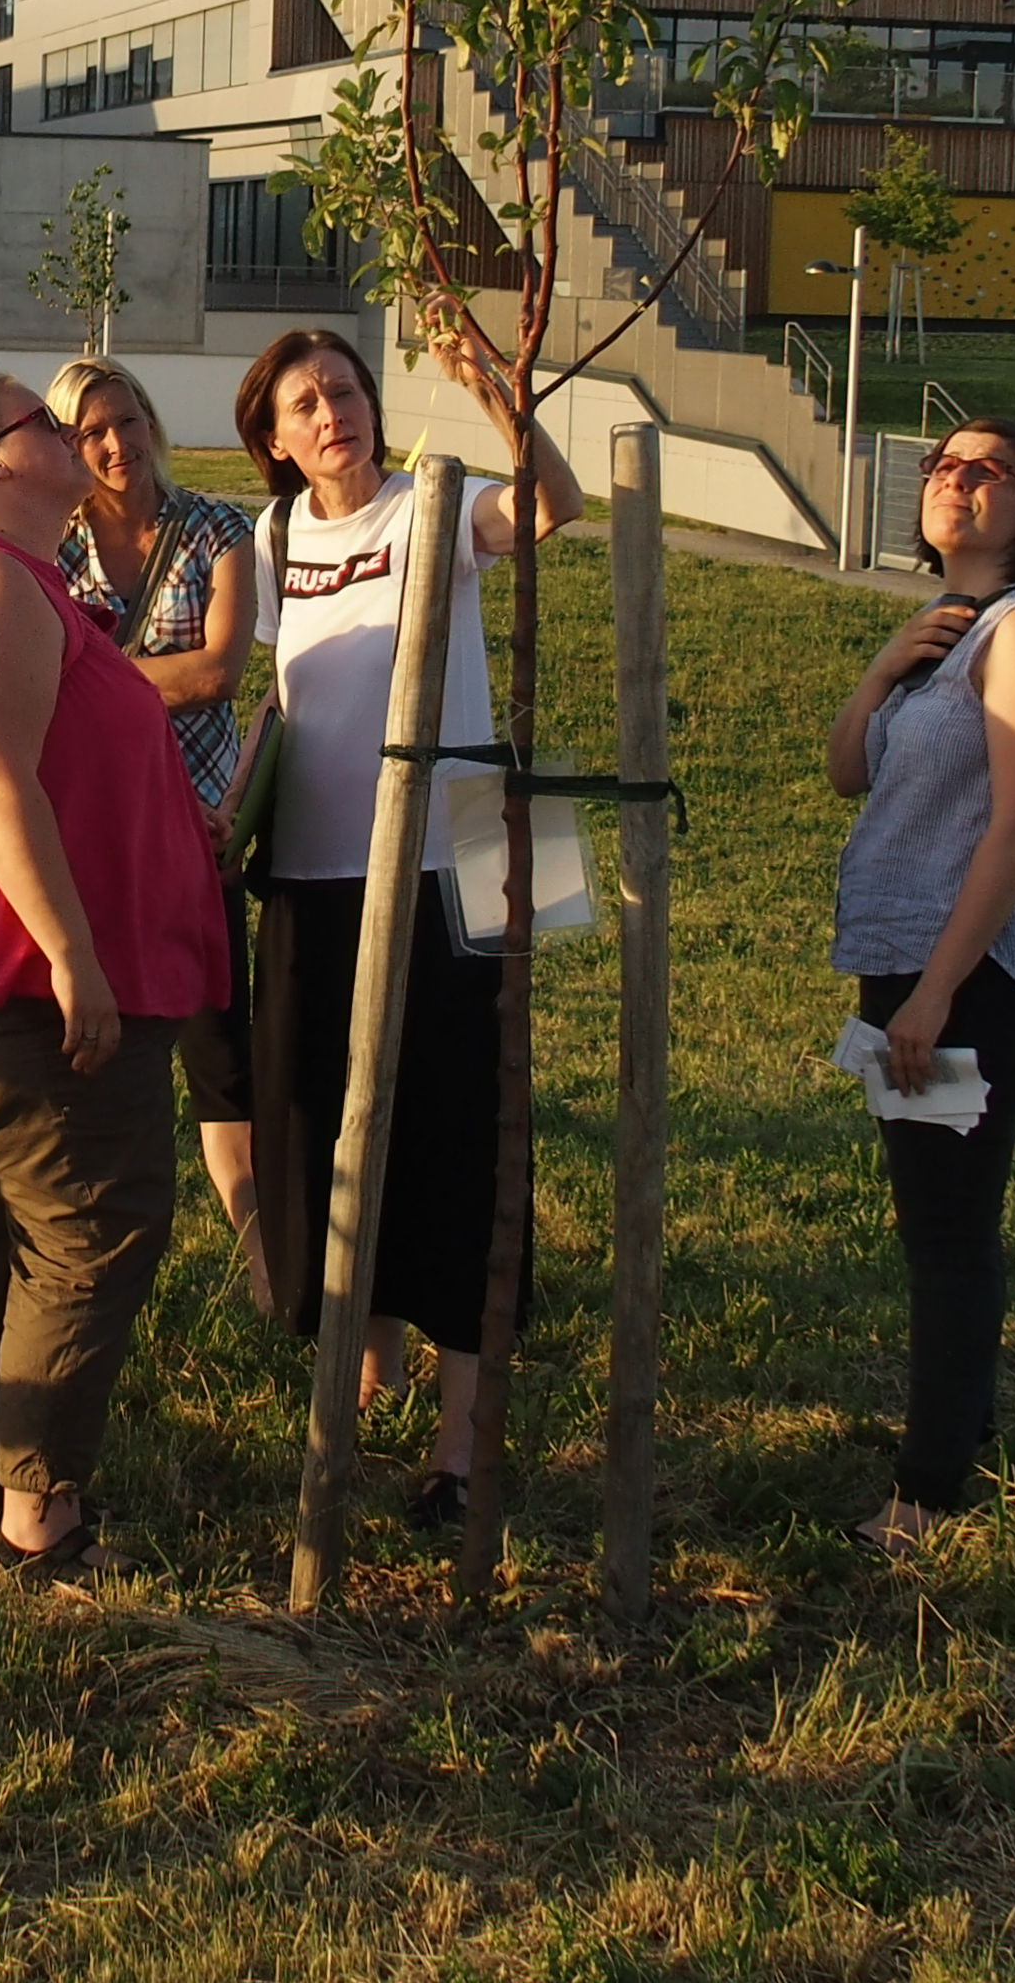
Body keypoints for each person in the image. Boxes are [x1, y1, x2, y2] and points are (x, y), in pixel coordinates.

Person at [0, 372, 228, 1578]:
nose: (78, 439)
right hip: (23, 981)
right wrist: (74, 957)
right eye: (45, 423)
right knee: (93, 1221)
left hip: (9, 973)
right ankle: (40, 1514)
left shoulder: (17, 580)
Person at [237, 325, 581, 1527]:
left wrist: (496, 387)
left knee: (460, 1139)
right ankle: (362, 1361)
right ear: (272, 440)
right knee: (332, 1119)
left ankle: (460, 1435)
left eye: (344, 391)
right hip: (315, 873)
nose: (331, 412)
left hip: (458, 863)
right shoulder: (274, 539)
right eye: (304, 403)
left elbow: (555, 507)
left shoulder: (433, 506)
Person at [825, 419, 1015, 1555]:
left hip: (974, 975)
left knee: (945, 1231)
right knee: (932, 1216)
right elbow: (847, 770)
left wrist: (935, 993)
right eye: (941, 465)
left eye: (988, 471)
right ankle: (960, 1426)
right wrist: (884, 666)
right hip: (906, 966)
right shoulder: (946, 636)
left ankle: (927, 1493)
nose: (954, 480)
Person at [46, 356, 264, 1288]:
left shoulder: (220, 528)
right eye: (91, 431)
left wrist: (92, 678)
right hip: (96, 838)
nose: (116, 444)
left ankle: (261, 1257)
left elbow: (220, 672)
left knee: (222, 1056)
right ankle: (84, 1246)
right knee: (92, 1047)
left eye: (127, 420)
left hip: (198, 833)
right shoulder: (51, 552)